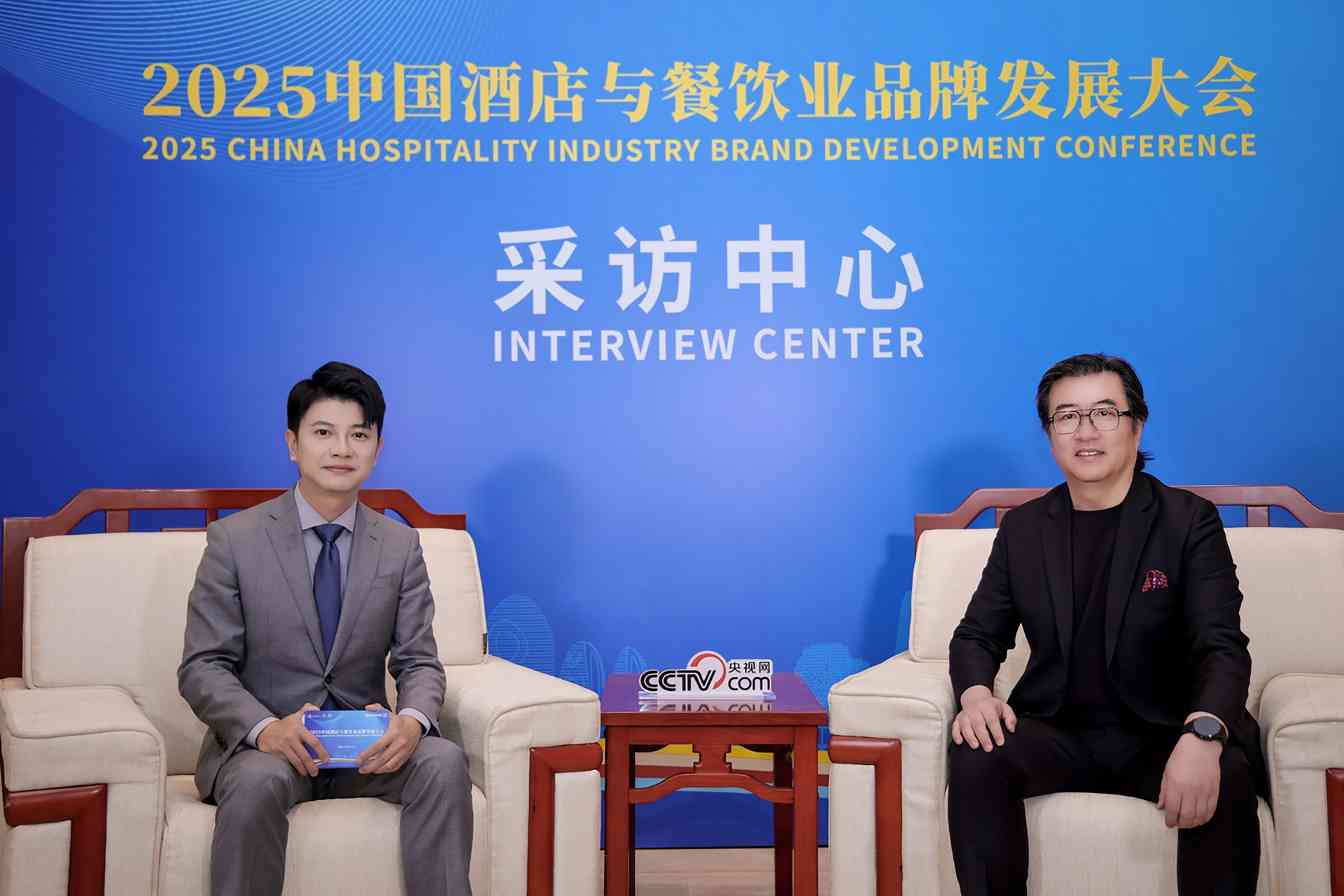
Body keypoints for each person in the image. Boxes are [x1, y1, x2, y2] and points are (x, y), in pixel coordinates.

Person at [947, 353, 1265, 896]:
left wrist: (1204, 732)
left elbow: (1221, 645)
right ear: (1050, 434)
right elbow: (977, 634)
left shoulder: (1188, 520)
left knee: (1228, 771)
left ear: (1137, 425)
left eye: (1104, 413)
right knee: (978, 754)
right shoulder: (1024, 528)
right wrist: (976, 695)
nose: (1085, 431)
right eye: (1067, 416)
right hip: (1059, 730)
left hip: (1164, 730)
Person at [178, 361, 472, 896]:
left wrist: (411, 722)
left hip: (364, 748)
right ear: (292, 444)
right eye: (323, 433)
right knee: (257, 780)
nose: (342, 449)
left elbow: (419, 661)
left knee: (443, 760)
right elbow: (204, 666)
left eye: (358, 435)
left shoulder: (400, 546)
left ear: (376, 449)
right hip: (269, 747)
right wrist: (266, 729)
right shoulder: (234, 540)